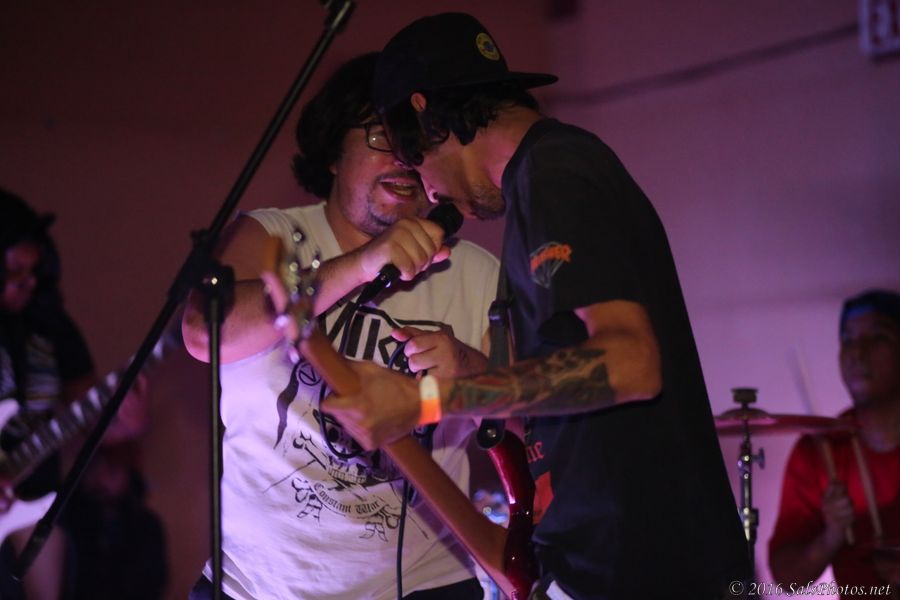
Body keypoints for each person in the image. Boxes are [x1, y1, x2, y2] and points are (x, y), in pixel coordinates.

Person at [321, 13, 752, 599]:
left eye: (412, 158)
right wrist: (473, 372)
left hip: (644, 572)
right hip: (600, 566)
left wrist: (428, 401)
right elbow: (578, 392)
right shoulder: (540, 181)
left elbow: (630, 365)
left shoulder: (556, 169)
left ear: (425, 116)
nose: (427, 191)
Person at [181, 52, 499, 599]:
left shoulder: (478, 272)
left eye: (416, 142)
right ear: (333, 151)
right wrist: (362, 263)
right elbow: (204, 333)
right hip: (253, 585)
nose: (402, 159)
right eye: (381, 137)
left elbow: (534, 427)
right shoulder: (270, 233)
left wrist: (468, 370)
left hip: (424, 585)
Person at [770, 290, 900, 598]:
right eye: (848, 340)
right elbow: (787, 578)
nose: (858, 352)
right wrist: (831, 536)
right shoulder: (818, 451)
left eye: (877, 337)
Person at [0, 188, 94, 600]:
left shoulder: (50, 323)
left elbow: (91, 408)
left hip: (35, 492)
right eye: (15, 269)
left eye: (34, 269)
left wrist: (125, 415)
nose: (29, 281)